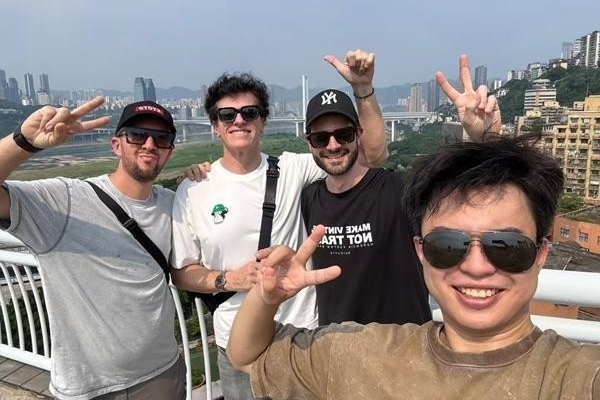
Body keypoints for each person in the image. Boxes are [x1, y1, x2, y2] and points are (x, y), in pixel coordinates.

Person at [226, 134, 600, 399]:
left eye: (505, 246)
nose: (476, 266)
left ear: (540, 253)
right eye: (447, 245)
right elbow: (247, 356)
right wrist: (267, 297)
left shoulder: (575, 377)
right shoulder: (361, 354)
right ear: (421, 250)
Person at [170, 49, 388, 399]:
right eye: (227, 115)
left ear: (263, 121)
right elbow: (183, 272)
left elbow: (371, 155)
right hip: (237, 344)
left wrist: (363, 89)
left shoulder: (292, 169)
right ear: (215, 126)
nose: (239, 121)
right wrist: (229, 279)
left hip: (300, 340)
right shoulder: (193, 189)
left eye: (250, 112)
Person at [0, 99, 186, 400]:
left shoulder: (172, 203)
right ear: (116, 145)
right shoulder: (66, 200)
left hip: (161, 374)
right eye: (137, 135)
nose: (150, 145)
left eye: (161, 138)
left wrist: (201, 175)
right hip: (88, 387)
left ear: (170, 151)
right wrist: (24, 141)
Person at [301, 54, 500, 325]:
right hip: (336, 346)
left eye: (343, 135)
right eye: (320, 138)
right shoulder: (309, 198)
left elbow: (476, 191)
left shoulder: (400, 190)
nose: (333, 145)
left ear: (358, 134)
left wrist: (486, 138)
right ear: (309, 143)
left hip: (404, 346)